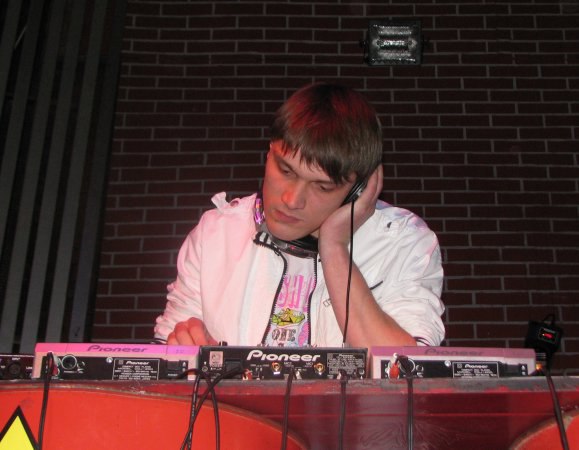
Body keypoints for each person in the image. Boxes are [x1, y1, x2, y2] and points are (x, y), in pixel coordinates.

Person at [154, 82, 445, 349]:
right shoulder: (215, 233)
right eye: (285, 170)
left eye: (322, 187)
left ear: (358, 190)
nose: (292, 200)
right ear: (268, 153)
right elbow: (166, 354)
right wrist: (183, 345)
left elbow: (402, 372)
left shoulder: (402, 242)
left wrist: (335, 248)